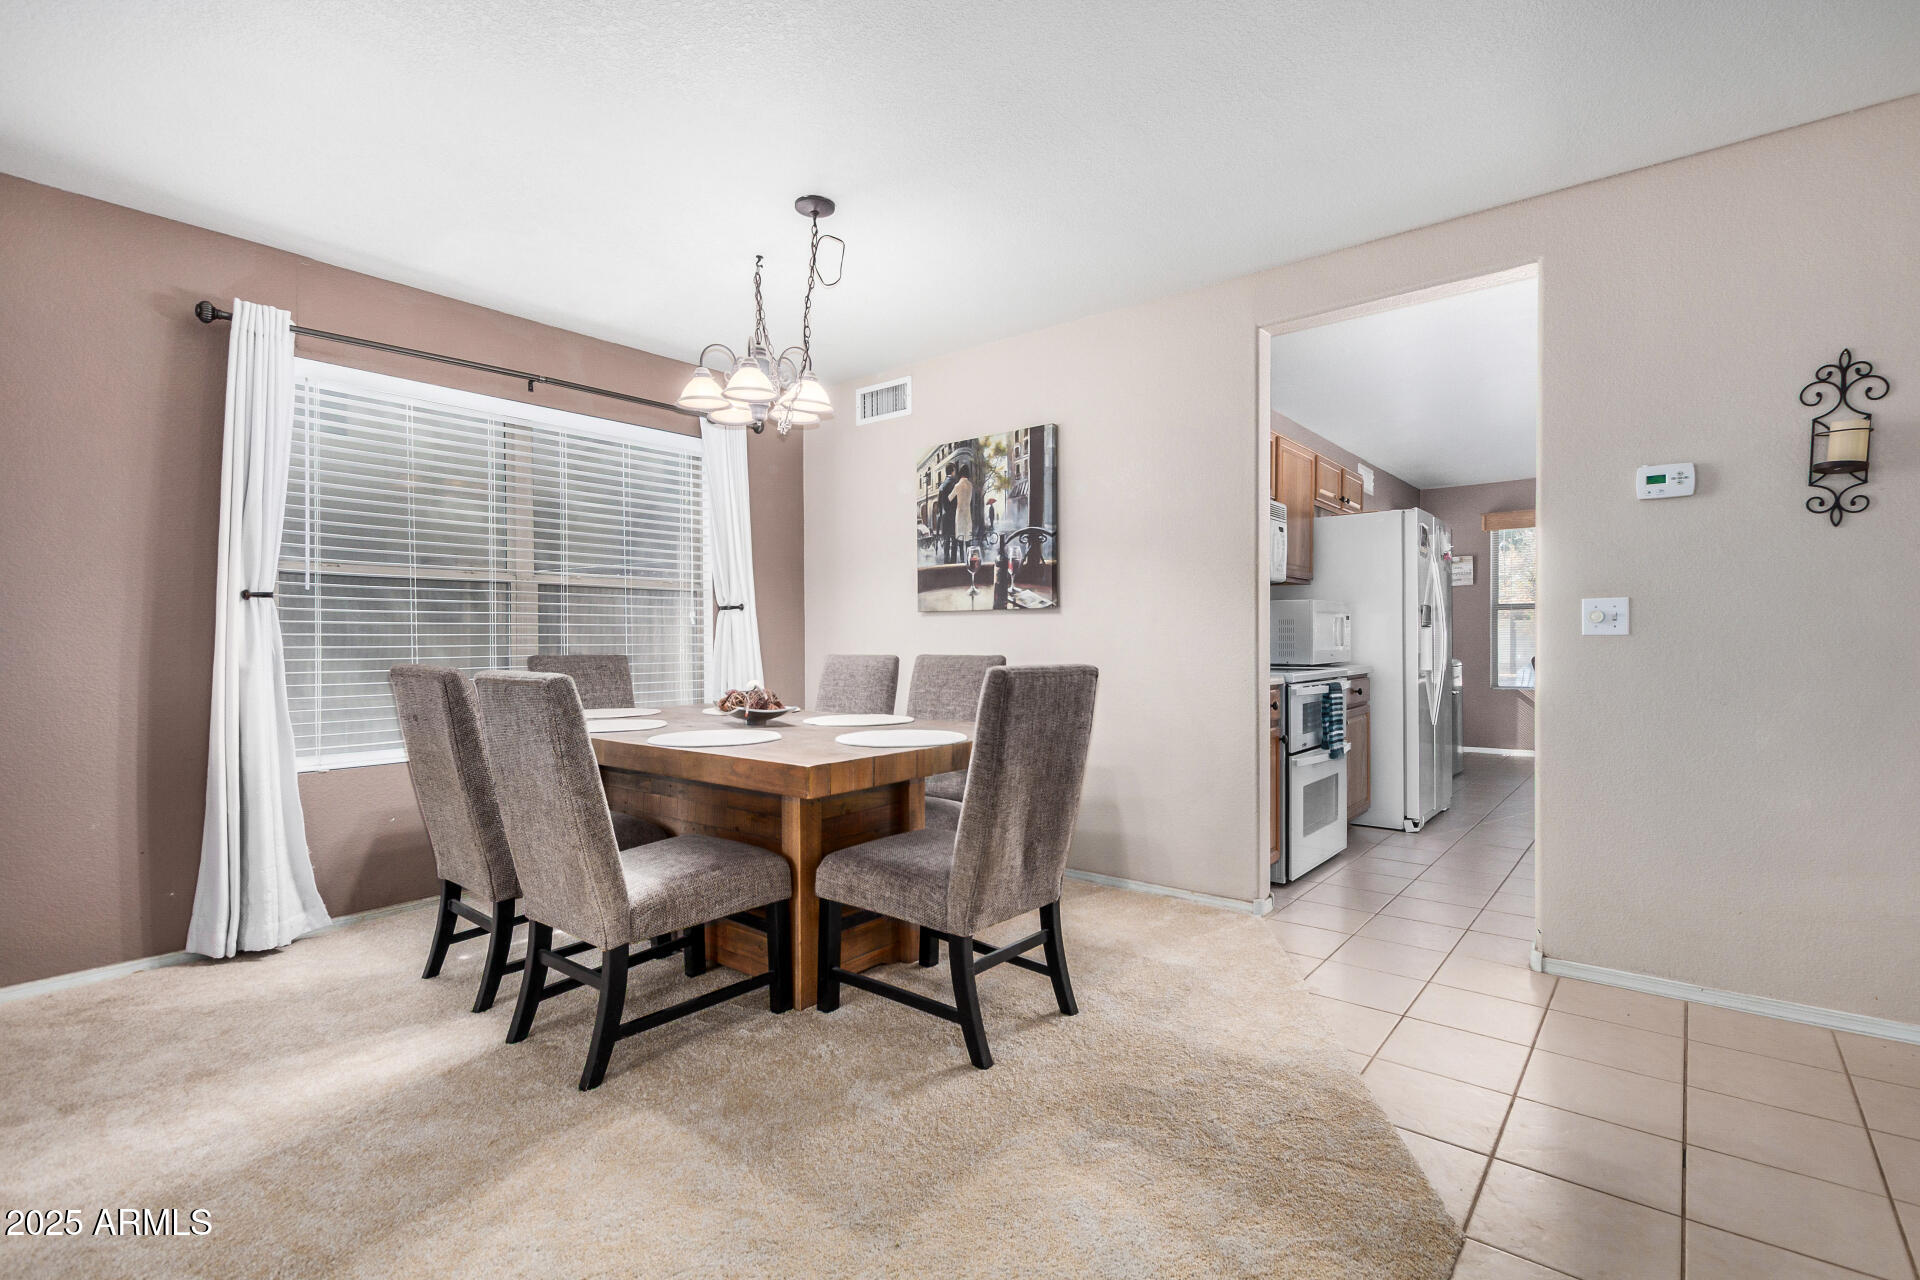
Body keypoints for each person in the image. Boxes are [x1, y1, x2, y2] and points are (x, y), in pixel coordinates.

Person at [936, 463, 960, 563]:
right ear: (953, 470)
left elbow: (939, 504)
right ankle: (953, 562)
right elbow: (957, 501)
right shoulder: (954, 483)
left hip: (945, 517)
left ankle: (946, 561)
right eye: (955, 470)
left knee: (946, 540)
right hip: (953, 516)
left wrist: (941, 516)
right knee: (954, 540)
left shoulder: (942, 486)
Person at [953, 464, 975, 557]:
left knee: (960, 539)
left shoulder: (957, 485)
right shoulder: (970, 485)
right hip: (968, 514)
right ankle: (968, 558)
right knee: (968, 538)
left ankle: (962, 559)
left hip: (959, 515)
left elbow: (950, 497)